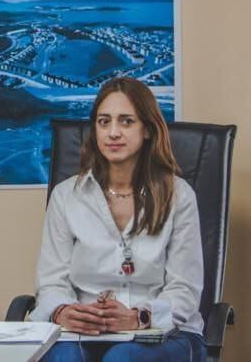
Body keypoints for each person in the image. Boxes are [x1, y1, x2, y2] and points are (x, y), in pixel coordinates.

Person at [30, 77, 206, 361]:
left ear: (147, 129)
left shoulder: (179, 196)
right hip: (83, 332)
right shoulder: (67, 197)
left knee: (122, 358)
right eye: (104, 121)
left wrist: (140, 316)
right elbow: (51, 283)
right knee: (63, 358)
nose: (113, 132)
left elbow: (184, 290)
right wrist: (63, 311)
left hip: (163, 332)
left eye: (126, 121)